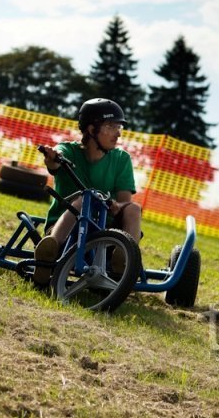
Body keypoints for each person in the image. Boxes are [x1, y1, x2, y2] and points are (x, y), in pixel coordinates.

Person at [32, 98, 142, 286]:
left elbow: (125, 200)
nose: (117, 134)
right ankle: (48, 252)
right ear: (91, 130)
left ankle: (123, 258)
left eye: (119, 128)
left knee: (133, 208)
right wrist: (52, 158)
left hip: (104, 237)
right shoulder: (68, 150)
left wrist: (118, 206)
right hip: (66, 234)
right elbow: (55, 161)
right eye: (110, 126)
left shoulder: (121, 159)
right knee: (86, 200)